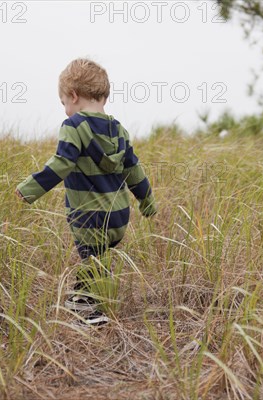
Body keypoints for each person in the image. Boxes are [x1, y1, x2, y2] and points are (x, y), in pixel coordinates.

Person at [16, 58, 157, 325]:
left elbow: (62, 163)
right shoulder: (120, 130)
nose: (65, 110)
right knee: (97, 260)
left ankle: (91, 313)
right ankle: (78, 301)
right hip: (118, 217)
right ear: (102, 96)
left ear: (73, 95)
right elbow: (133, 169)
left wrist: (30, 189)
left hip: (89, 216)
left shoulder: (73, 127)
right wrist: (147, 199)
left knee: (93, 261)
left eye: (63, 104)